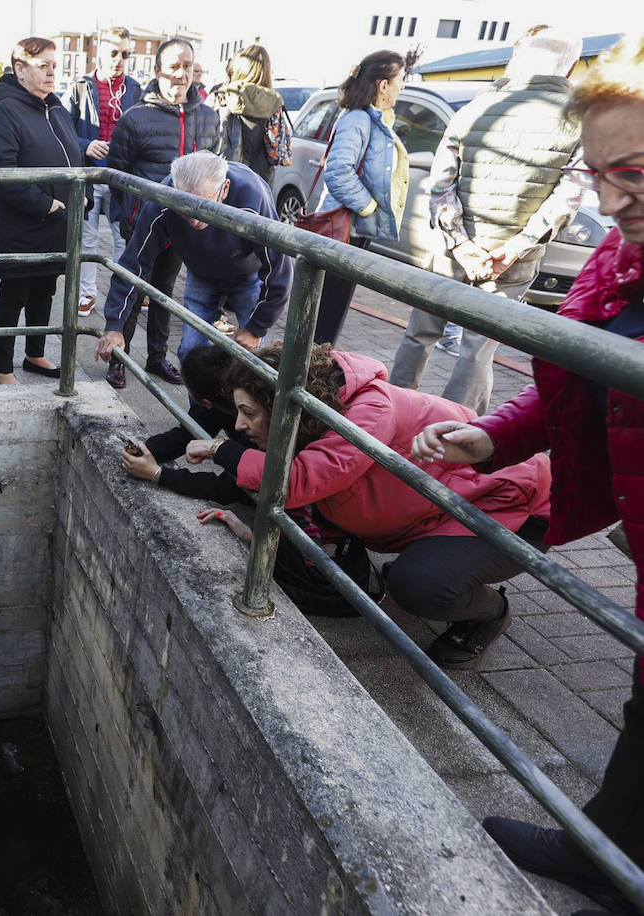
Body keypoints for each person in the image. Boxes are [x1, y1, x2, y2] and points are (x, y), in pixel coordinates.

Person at [411, 33, 644, 910]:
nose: (613, 199)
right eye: (598, 174)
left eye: (637, 172)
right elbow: (586, 385)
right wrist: (493, 438)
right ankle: (605, 849)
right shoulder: (622, 260)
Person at [179, 343, 551, 667]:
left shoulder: (367, 413)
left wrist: (218, 449)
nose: (240, 425)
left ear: (283, 405)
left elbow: (299, 481)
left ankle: (489, 613)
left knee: (418, 583)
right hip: (437, 507)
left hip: (512, 509)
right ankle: (432, 559)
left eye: (249, 413)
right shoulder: (316, 415)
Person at [390, 27, 584, 414]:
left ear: (518, 60)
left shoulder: (477, 107)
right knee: (478, 349)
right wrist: (515, 248)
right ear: (573, 67)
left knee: (420, 333)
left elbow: (441, 182)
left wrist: (461, 243)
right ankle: (452, 437)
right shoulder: (577, 120)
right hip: (513, 259)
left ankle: (390, 412)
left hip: (453, 250)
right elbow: (569, 196)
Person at [119, 344, 380, 618]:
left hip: (323, 538)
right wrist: (142, 449)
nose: (241, 424)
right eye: (240, 412)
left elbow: (236, 485)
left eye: (249, 413)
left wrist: (160, 474)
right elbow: (187, 433)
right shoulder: (236, 398)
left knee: (289, 516)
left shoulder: (272, 426)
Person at [94, 151, 293, 372]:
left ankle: (245, 404)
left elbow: (279, 269)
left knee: (253, 357)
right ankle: (198, 405)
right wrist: (115, 324)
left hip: (246, 273)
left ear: (224, 189)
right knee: (189, 351)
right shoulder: (164, 197)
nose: (194, 220)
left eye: (204, 206)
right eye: (185, 208)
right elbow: (134, 262)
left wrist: (257, 328)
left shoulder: (252, 197)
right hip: (201, 273)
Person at [102, 38, 220, 388]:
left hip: (184, 229)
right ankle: (118, 359)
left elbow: (217, 171)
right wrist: (129, 217)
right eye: (173, 67)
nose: (181, 74)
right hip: (144, 225)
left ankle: (157, 358)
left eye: (187, 66)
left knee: (164, 295)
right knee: (132, 290)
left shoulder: (210, 118)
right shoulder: (135, 118)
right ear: (157, 72)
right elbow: (117, 174)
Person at [0, 37, 81, 385]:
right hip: (23, 226)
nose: (52, 72)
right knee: (15, 294)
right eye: (44, 65)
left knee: (45, 289)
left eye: (54, 65)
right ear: (20, 68)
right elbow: (2, 172)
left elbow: (72, 158)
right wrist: (46, 203)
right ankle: (2, 369)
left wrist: (80, 194)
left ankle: (34, 354)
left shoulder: (55, 107)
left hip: (56, 223)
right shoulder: (8, 109)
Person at [313, 50, 417, 345]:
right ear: (383, 85)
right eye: (401, 80)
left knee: (331, 311)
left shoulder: (373, 120)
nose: (402, 87)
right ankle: (309, 374)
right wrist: (369, 206)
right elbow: (338, 172)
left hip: (354, 229)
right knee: (326, 314)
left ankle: (314, 369)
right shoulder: (357, 120)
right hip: (343, 229)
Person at [64, 27, 142, 317]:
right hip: (88, 177)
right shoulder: (80, 87)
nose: (119, 59)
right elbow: (63, 130)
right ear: (99, 52)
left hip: (121, 177)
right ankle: (86, 293)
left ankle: (121, 293)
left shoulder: (135, 89)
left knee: (123, 238)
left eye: (125, 54)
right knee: (86, 238)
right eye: (113, 52)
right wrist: (86, 145)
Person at [213, 44, 292, 184]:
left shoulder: (222, 94)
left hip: (221, 172)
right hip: (259, 178)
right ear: (266, 70)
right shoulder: (273, 101)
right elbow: (276, 153)